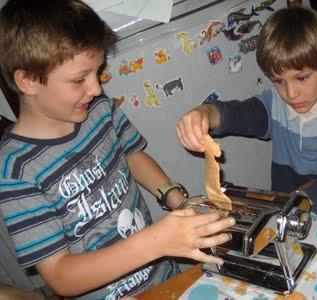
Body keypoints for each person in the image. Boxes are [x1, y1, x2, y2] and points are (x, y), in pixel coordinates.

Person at [0, 1, 234, 299]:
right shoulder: (15, 171)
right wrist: (155, 242)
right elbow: (60, 275)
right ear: (28, 80)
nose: (96, 88)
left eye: (97, 72)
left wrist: (176, 200)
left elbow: (132, 156)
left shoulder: (99, 111)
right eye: (79, 79)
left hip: (163, 277)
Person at [177, 6, 317, 217]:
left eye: (302, 78)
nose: (290, 94)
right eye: (278, 81)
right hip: (291, 208)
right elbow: (242, 114)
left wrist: (305, 199)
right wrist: (207, 113)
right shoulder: (275, 102)